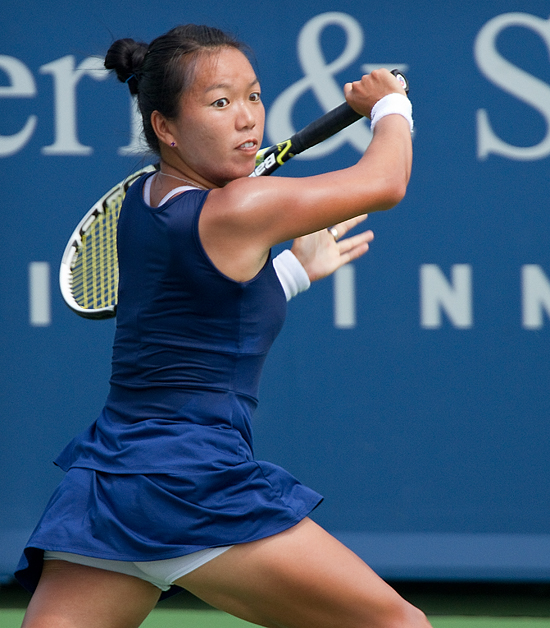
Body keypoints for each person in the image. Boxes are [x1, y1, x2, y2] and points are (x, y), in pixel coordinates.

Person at [16, 24, 427, 628]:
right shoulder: (238, 207)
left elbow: (190, 314)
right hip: (191, 483)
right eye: (219, 102)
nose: (246, 119)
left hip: (109, 484)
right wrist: (390, 105)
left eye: (254, 97)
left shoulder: (142, 201)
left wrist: (285, 275)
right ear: (165, 128)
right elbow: (385, 182)